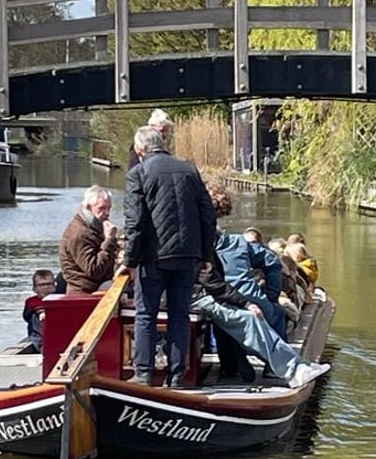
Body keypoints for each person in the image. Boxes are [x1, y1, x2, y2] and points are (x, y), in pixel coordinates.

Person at [117, 124, 217, 387]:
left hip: (154, 258)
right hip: (187, 256)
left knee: (146, 315)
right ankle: (176, 377)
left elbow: (135, 222)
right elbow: (208, 215)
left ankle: (144, 374)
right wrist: (205, 254)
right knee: (179, 314)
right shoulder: (189, 170)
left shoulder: (138, 173)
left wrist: (129, 261)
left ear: (140, 149)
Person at [191, 251, 328, 388]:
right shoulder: (199, 244)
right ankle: (293, 371)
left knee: (249, 316)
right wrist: (247, 303)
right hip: (194, 296)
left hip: (189, 294)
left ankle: (288, 367)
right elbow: (213, 283)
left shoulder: (198, 243)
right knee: (250, 318)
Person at [206, 187, 289, 338]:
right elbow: (272, 261)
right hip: (248, 301)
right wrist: (271, 297)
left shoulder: (191, 243)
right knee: (278, 315)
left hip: (210, 303)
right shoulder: (237, 243)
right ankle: (280, 358)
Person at [59, 185, 120, 292]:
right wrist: (109, 240)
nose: (107, 213)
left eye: (109, 208)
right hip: (83, 294)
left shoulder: (96, 226)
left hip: (98, 288)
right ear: (88, 207)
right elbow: (94, 271)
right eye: (101, 208)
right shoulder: (79, 233)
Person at [19, 268, 56, 353]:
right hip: (40, 335)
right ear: (35, 289)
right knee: (35, 317)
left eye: (49, 284)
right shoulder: (31, 301)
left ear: (54, 286)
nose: (46, 288)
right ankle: (43, 346)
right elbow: (26, 316)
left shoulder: (60, 298)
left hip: (56, 331)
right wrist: (41, 311)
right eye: (42, 285)